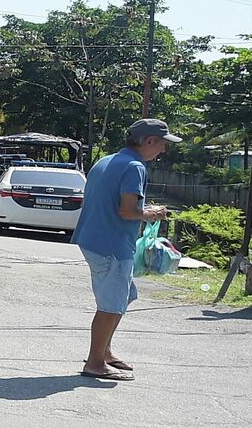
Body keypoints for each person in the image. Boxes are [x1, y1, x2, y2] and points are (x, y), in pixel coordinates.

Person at [72, 118, 176, 382]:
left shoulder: (108, 160)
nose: (163, 150)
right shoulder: (134, 167)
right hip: (112, 246)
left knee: (123, 297)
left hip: (94, 239)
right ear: (148, 141)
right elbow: (127, 211)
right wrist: (151, 213)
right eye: (162, 144)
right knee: (110, 305)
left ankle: (104, 352)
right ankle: (95, 362)